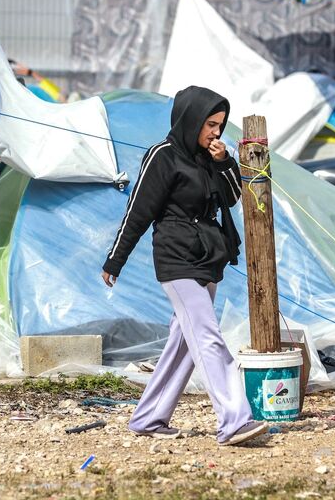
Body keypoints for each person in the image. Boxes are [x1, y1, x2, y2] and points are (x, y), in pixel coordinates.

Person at [102, 85, 268, 447]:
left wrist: (225, 162)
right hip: (176, 259)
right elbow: (137, 213)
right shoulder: (162, 156)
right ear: (190, 119)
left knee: (184, 342)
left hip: (208, 256)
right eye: (209, 124)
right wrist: (116, 258)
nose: (215, 132)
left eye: (220, 125)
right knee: (206, 335)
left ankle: (148, 417)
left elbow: (232, 197)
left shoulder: (209, 156)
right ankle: (234, 420)